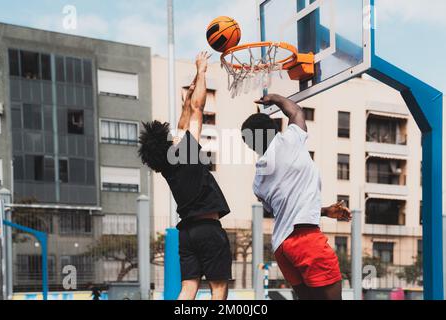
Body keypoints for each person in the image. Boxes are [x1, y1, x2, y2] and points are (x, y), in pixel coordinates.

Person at [138, 52, 232, 301]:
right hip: (208, 229)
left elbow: (184, 122)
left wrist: (187, 98)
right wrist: (202, 71)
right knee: (219, 289)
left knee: (187, 289)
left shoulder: (168, 165)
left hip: (187, 234)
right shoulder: (187, 151)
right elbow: (198, 110)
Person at [241, 93, 352, 300]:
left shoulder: (258, 180)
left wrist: (326, 211)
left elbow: (288, 208)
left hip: (283, 247)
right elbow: (296, 111)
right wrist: (273, 98)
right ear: (273, 130)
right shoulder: (288, 141)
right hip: (306, 239)